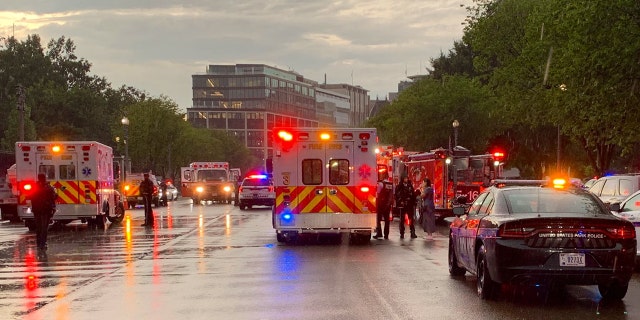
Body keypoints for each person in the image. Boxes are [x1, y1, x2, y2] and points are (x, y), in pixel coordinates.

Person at [30, 173, 57, 250]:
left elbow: (30, 197)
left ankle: (39, 243)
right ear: (45, 178)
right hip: (46, 210)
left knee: (38, 227)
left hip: (37, 210)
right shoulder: (49, 187)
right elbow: (54, 196)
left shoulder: (34, 187)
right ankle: (43, 243)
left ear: (38, 178)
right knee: (44, 228)